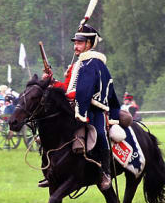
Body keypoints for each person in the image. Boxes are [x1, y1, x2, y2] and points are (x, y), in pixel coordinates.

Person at [43, 24, 121, 190]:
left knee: (100, 133)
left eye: (79, 42)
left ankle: (105, 172)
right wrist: (53, 82)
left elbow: (87, 90)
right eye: (75, 42)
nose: (75, 46)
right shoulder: (77, 65)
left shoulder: (95, 64)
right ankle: (52, 172)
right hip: (76, 107)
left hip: (94, 108)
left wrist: (75, 101)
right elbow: (68, 88)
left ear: (89, 44)